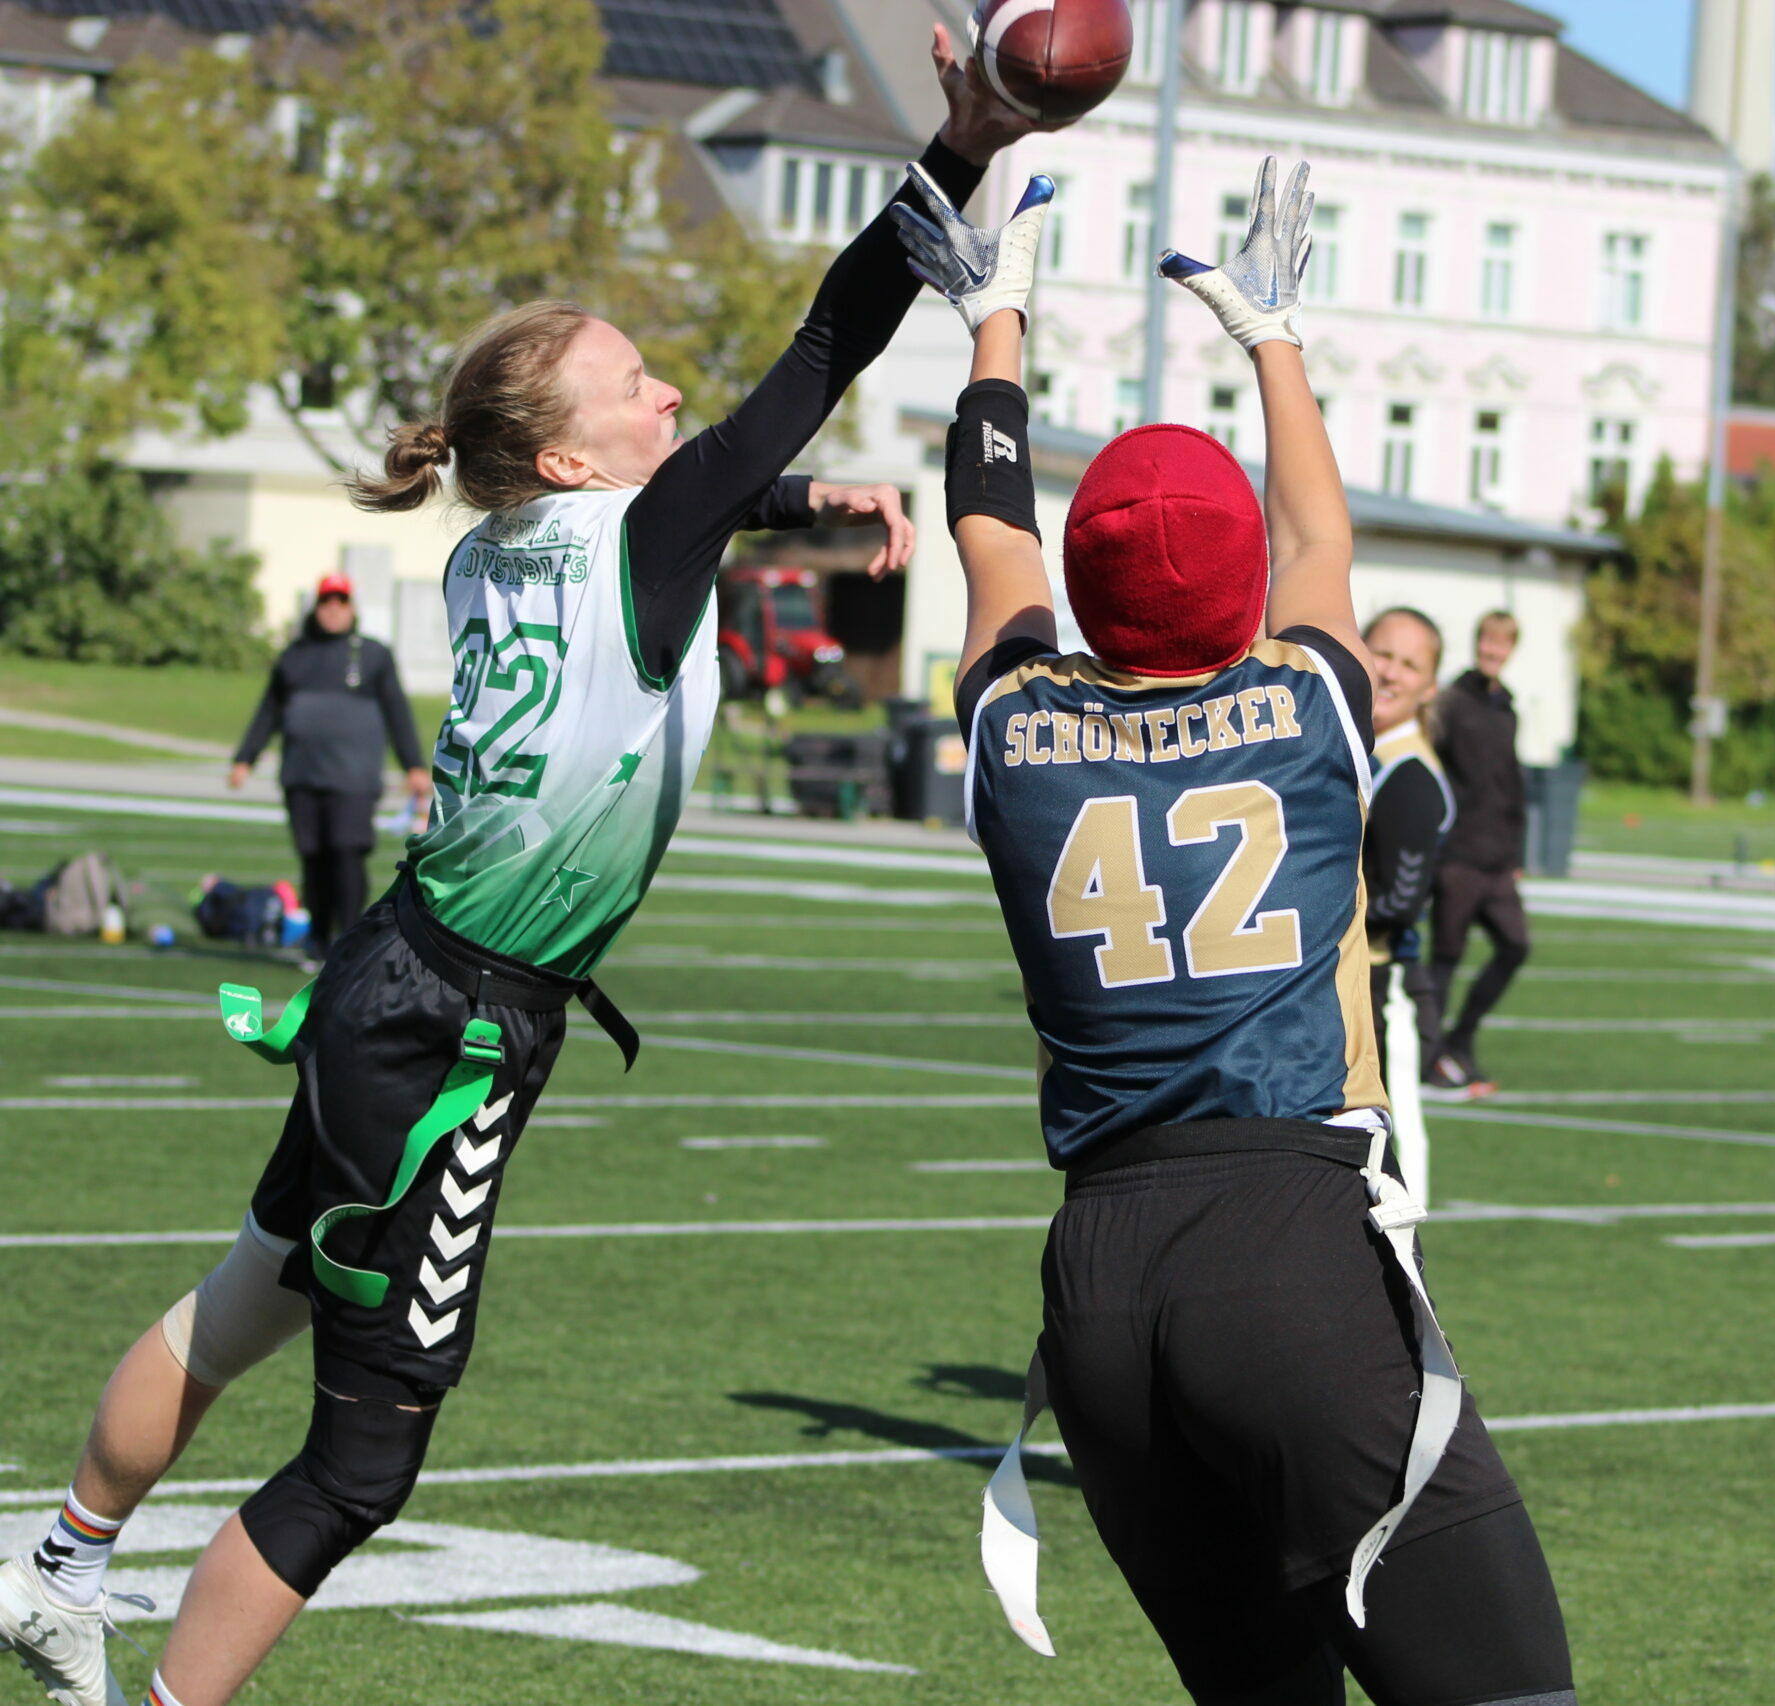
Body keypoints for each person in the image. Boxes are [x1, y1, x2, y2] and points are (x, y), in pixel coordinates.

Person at [0, 33, 1049, 1706]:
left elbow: (693, 496)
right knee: (364, 1457)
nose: (667, 397)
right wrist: (958, 143)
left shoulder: (504, 538)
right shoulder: (635, 526)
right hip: (456, 1033)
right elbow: (825, 340)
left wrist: (786, 503)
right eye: (636, 387)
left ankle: (57, 1562)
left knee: (246, 1291)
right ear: (567, 454)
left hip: (394, 972)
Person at [894, 157, 1574, 1704]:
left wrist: (990, 324)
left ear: (1082, 587)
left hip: (1101, 1280)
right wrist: (1276, 335)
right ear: (1248, 587)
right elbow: (1319, 536)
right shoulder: (1311, 698)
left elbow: (989, 527)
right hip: (1285, 1242)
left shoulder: (1017, 713)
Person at [229, 572, 431, 967]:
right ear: (316, 607)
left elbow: (397, 712)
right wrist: (245, 758)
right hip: (302, 775)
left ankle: (351, 939)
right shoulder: (296, 655)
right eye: (327, 601)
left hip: (352, 778)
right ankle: (318, 939)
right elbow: (269, 710)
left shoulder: (372, 655)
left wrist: (413, 765)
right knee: (313, 856)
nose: (334, 609)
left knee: (346, 852)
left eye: (341, 601)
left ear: (352, 607)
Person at [1362, 607, 1457, 1192]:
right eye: (1382, 654)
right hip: (1341, 982)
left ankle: (1406, 1268)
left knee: (1392, 1132)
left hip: (1382, 985)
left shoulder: (1410, 775)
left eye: (1409, 664)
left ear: (1430, 687)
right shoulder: (1356, 750)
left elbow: (1397, 902)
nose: (1391, 673)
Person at [1427, 609, 1529, 1094]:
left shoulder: (1507, 708)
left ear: (1510, 650)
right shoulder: (1451, 702)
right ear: (1477, 643)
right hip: (1457, 855)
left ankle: (1460, 1040)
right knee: (1446, 955)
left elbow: (1512, 784)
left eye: (1502, 645)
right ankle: (1431, 1057)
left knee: (1516, 945)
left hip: (1496, 859)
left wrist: (1516, 852)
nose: (1493, 651)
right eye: (1487, 642)